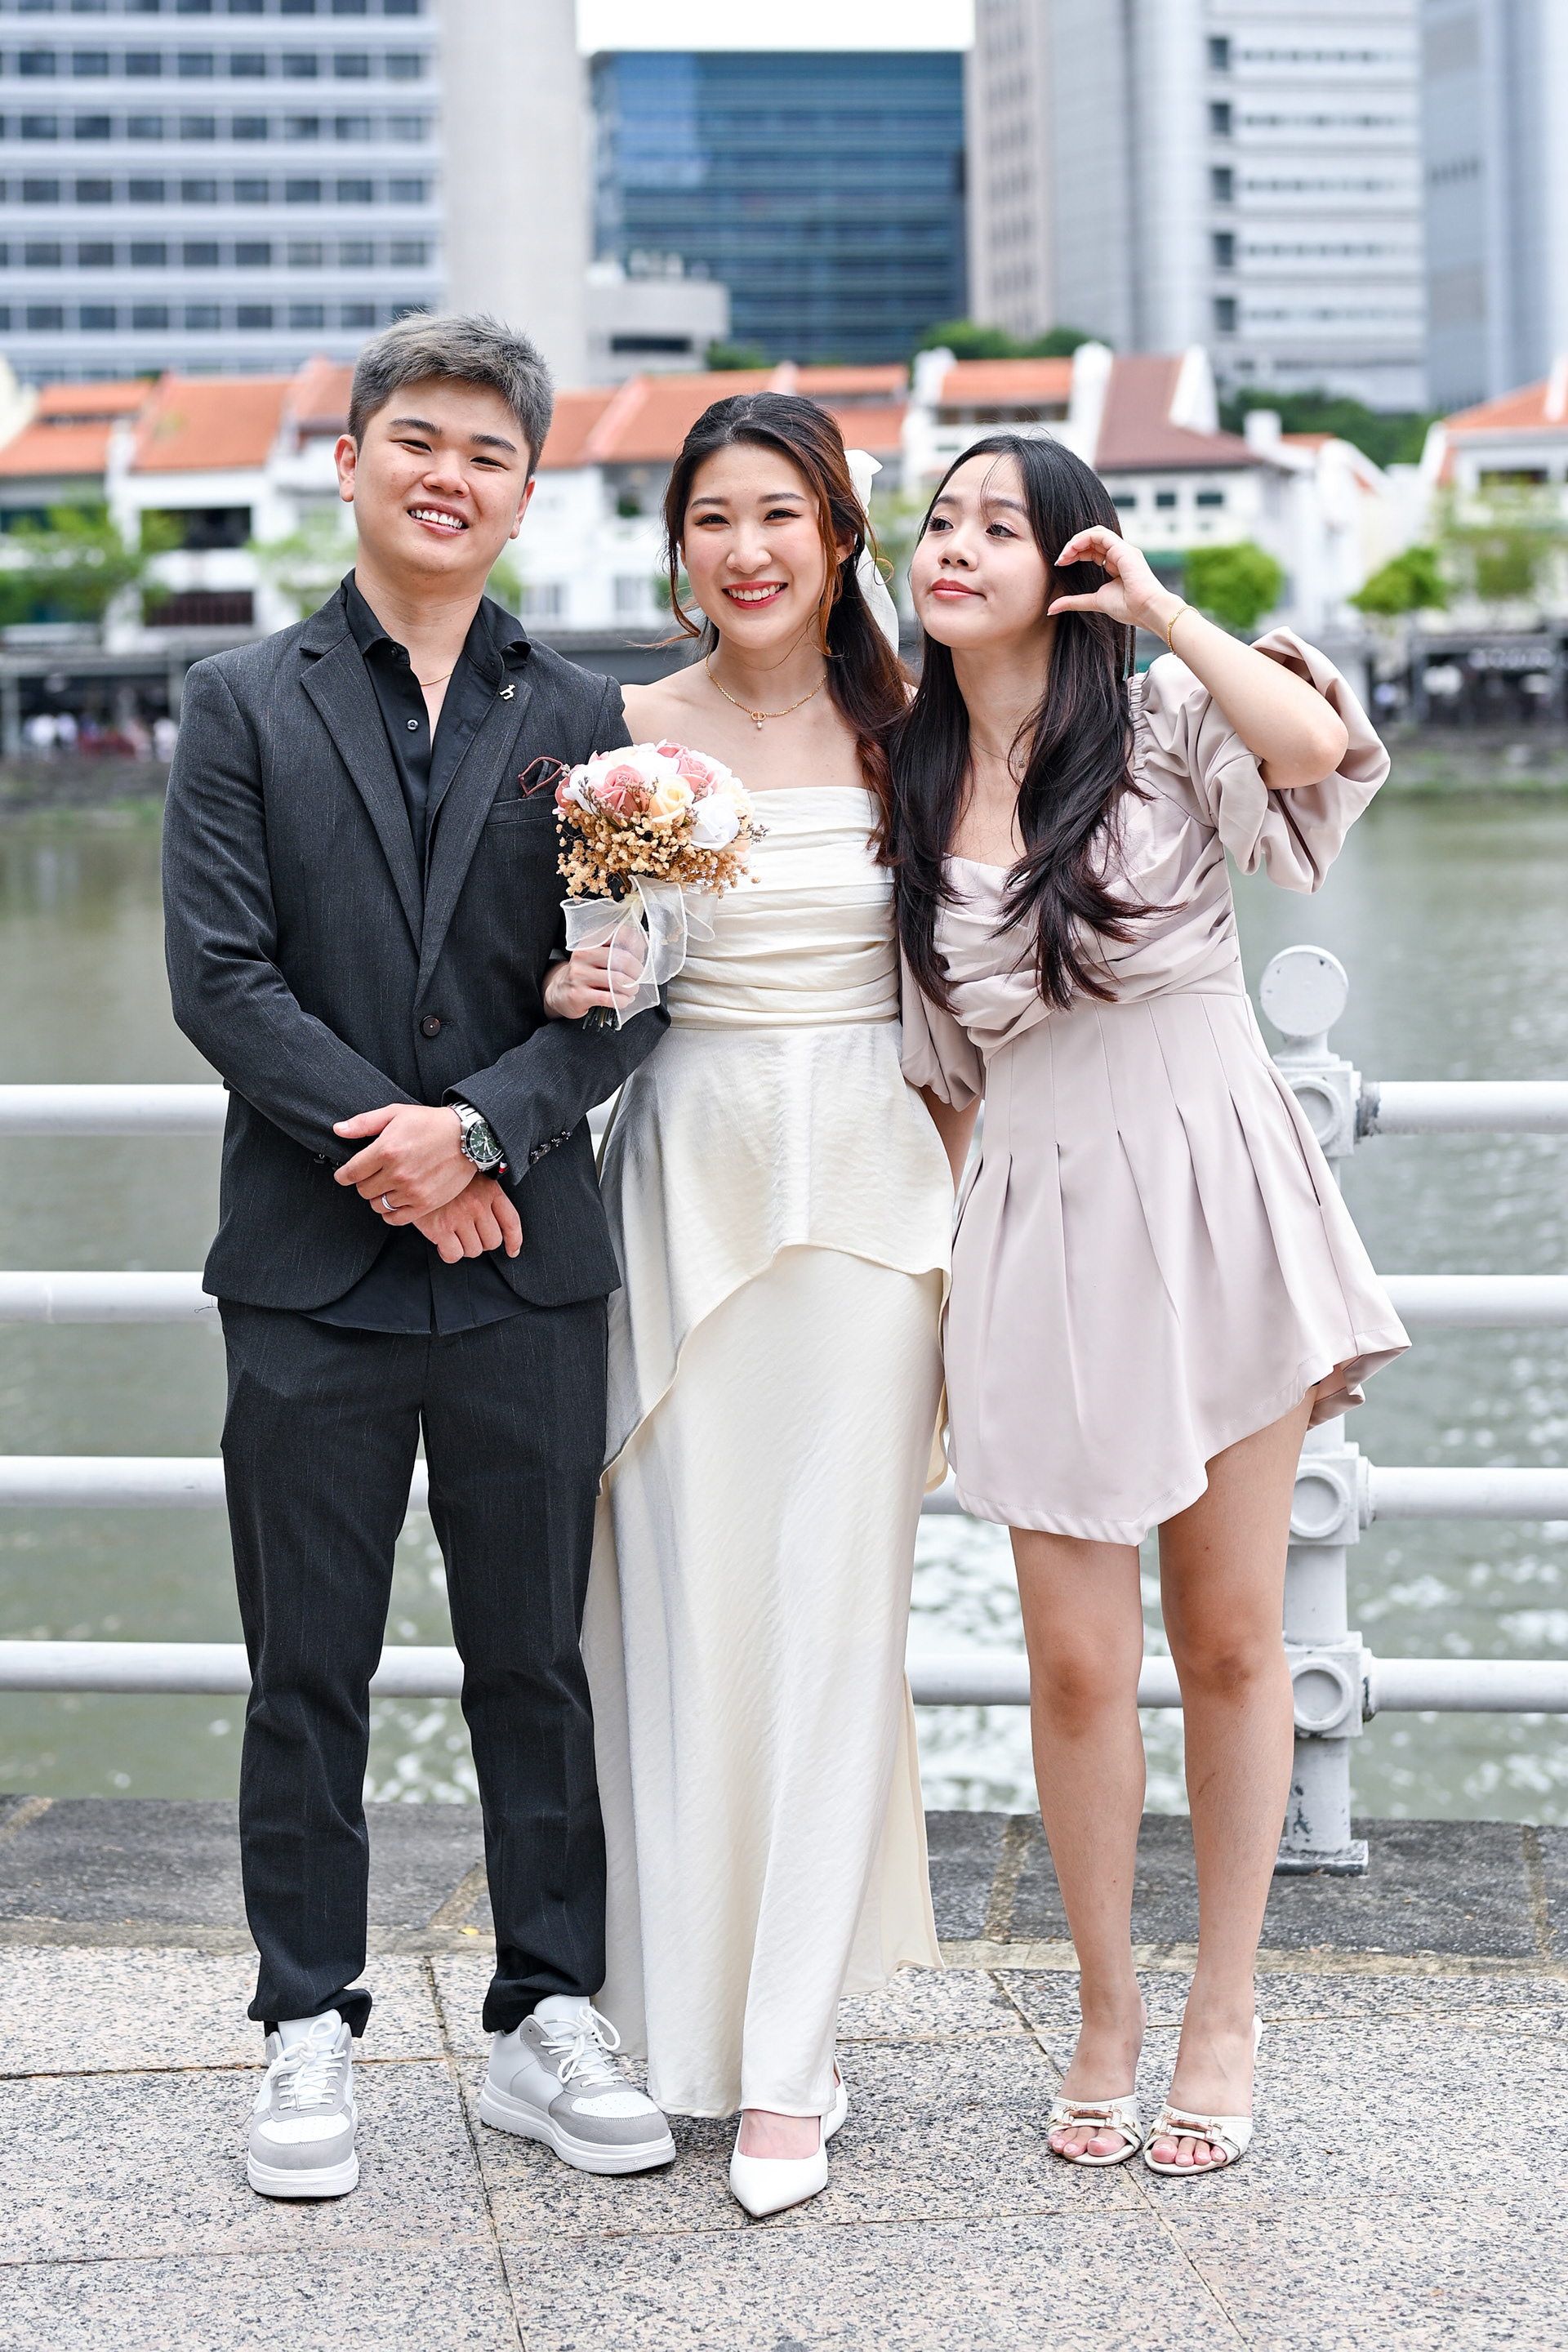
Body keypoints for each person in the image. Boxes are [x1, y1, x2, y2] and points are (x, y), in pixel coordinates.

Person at [162, 314, 675, 2200]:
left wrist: (479, 1137)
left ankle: (549, 2010)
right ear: (352, 460)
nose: (447, 475)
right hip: (307, 1275)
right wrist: (403, 1154)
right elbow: (221, 981)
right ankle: (306, 2019)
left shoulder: (593, 720)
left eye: (487, 452)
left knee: (535, 1661)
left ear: (528, 492)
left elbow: (627, 995)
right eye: (417, 441)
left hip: (524, 1267)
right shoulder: (240, 700)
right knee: (306, 1667)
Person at [890, 434, 1409, 2176]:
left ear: (1072, 561)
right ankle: (1106, 2010)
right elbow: (941, 1076)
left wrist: (1163, 609)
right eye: (938, 522)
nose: (953, 546)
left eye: (998, 525)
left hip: (1213, 1191)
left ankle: (1225, 2009)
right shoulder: (913, 779)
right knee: (1075, 1662)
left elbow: (1313, 750)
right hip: (1034, 1223)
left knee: (1236, 1636)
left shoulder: (1167, 717)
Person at [555, 393, 956, 2219]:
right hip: (685, 1175)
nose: (747, 549)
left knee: (834, 1608)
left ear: (842, 533)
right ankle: (675, 2013)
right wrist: (579, 980)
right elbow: (602, 977)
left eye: (780, 512)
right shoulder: (622, 736)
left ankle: (792, 2058)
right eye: (712, 517)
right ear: (679, 547)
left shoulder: (922, 728)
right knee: (680, 1597)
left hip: (869, 1182)